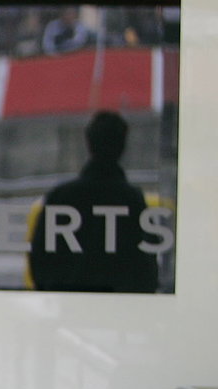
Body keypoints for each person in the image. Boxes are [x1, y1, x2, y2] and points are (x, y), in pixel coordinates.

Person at [28, 111, 159, 293]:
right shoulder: (131, 199)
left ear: (88, 143)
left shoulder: (61, 196)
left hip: (66, 308)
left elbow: (39, 260)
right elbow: (146, 266)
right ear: (122, 146)